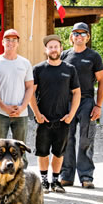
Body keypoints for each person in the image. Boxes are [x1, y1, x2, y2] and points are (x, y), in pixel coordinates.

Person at [29, 35, 81, 194]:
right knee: (43, 152)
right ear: (46, 50)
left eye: (56, 46)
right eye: (50, 47)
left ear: (61, 48)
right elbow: (31, 93)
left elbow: (77, 93)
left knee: (59, 152)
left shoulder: (69, 69)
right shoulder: (38, 69)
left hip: (63, 120)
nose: (53, 49)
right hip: (44, 120)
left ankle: (55, 181)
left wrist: (71, 114)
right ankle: (44, 181)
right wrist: (37, 114)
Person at [60, 22, 103, 189]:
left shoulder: (94, 56)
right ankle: (66, 175)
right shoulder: (64, 55)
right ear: (71, 37)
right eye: (76, 33)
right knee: (67, 138)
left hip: (86, 101)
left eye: (82, 33)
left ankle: (86, 176)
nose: (79, 36)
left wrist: (98, 105)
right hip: (67, 102)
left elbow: (102, 82)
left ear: (88, 37)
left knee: (86, 139)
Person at [0, 29, 34, 168]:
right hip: (0, 113)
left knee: (20, 148)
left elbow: (30, 87)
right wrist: (4, 107)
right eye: (8, 39)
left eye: (14, 40)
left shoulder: (25, 63)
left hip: (21, 113)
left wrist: (22, 107)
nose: (11, 42)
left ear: (18, 43)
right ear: (2, 42)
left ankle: (21, 176)